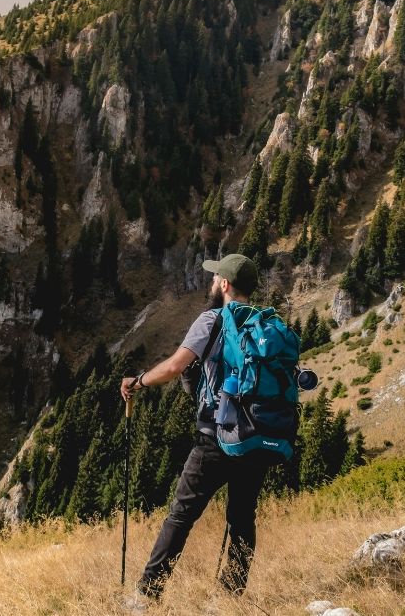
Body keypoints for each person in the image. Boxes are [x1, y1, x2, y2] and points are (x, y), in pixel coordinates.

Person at [119, 253, 273, 602]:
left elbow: (175, 367)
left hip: (216, 437)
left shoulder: (214, 319)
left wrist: (138, 381)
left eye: (215, 277)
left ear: (225, 284)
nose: (211, 282)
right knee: (242, 519)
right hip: (256, 437)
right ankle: (230, 599)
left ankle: (148, 594)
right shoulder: (265, 324)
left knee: (181, 515)